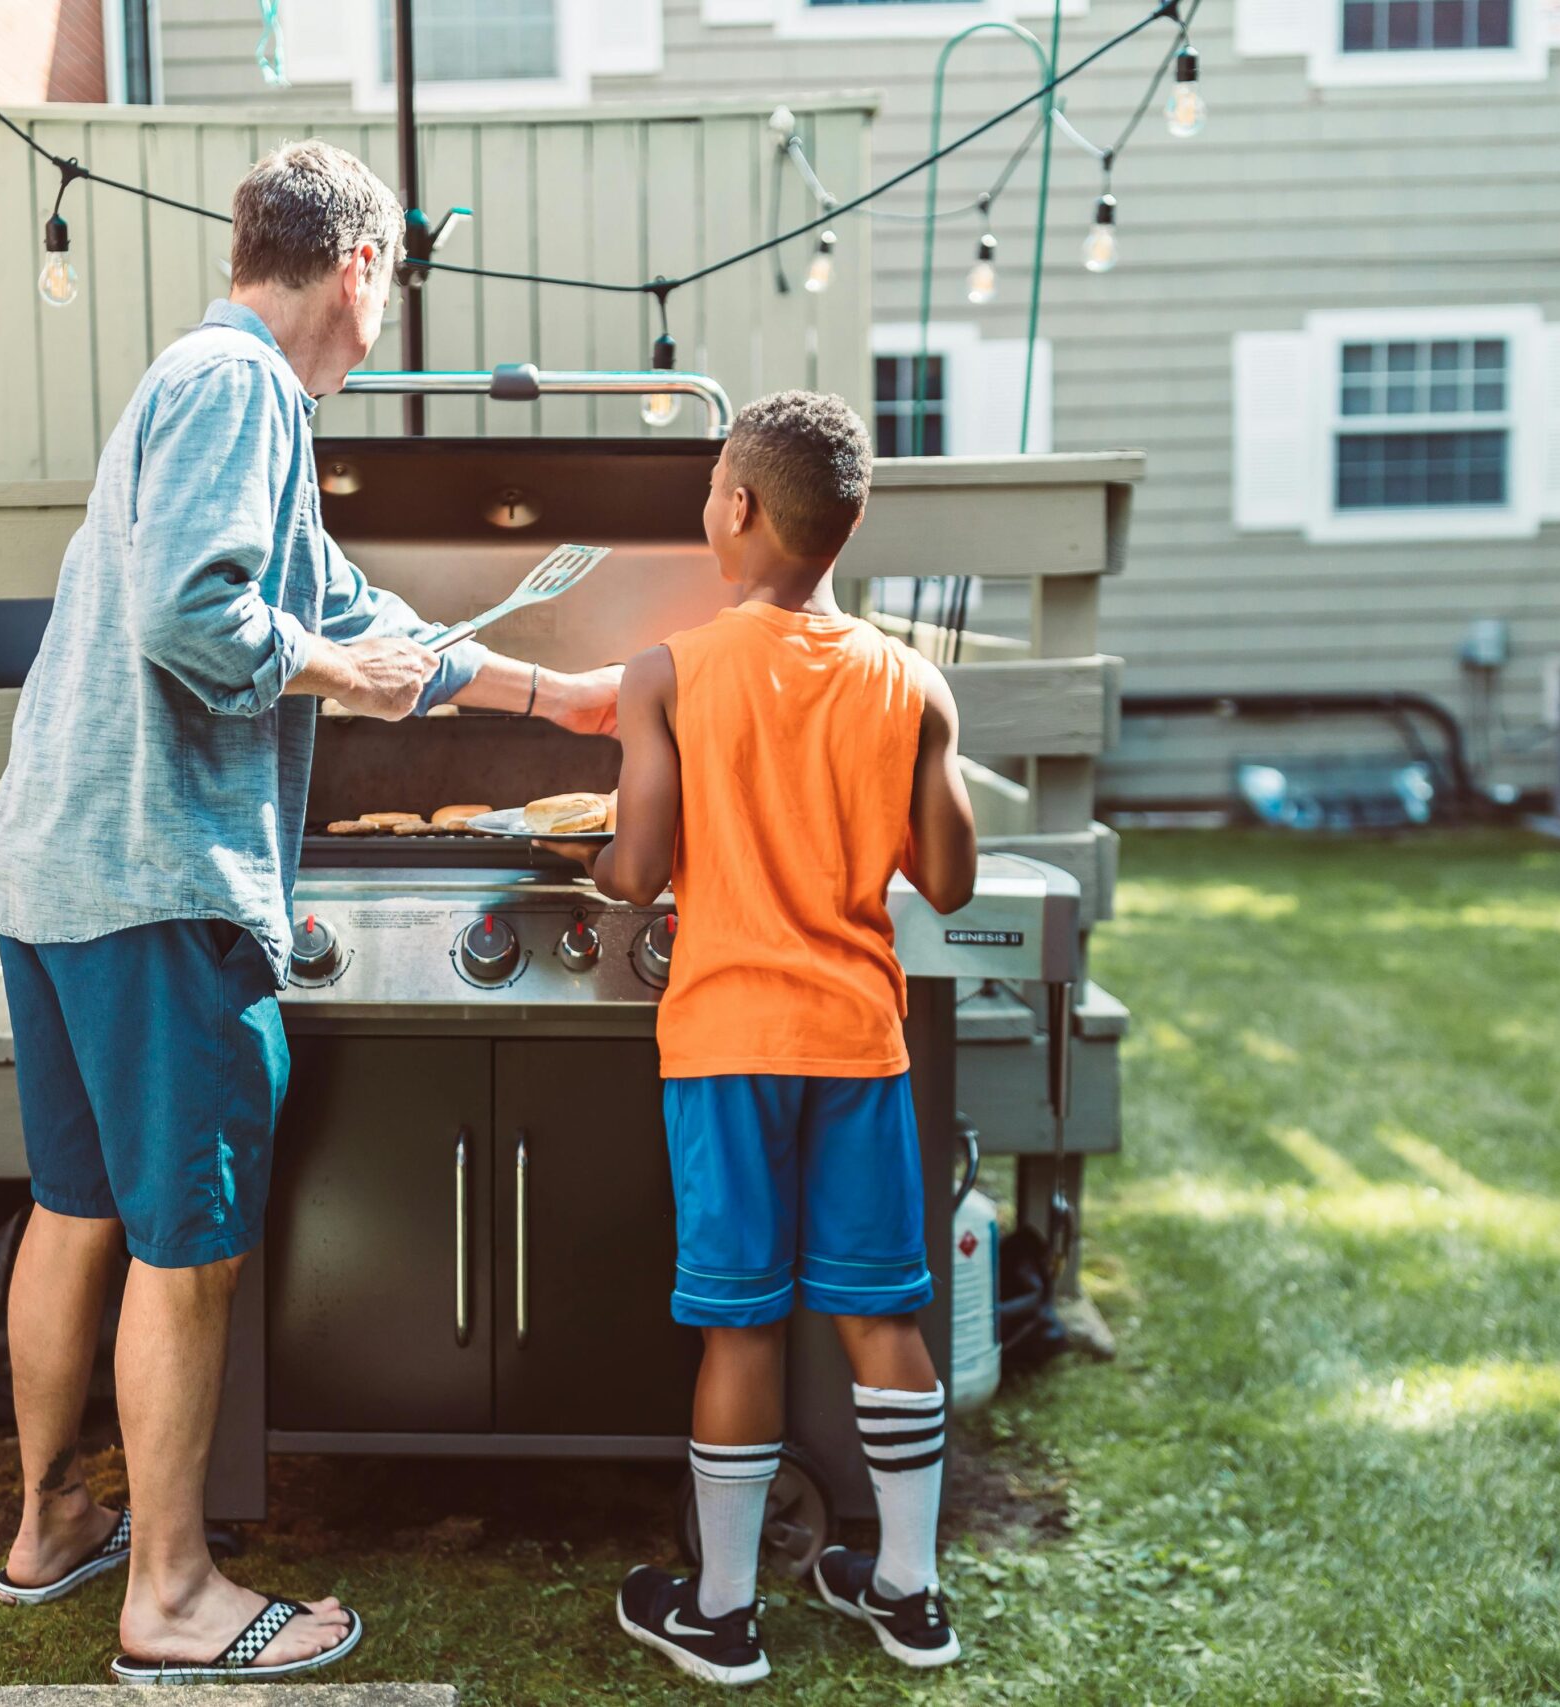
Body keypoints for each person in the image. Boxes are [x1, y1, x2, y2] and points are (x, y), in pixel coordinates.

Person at [0, 139, 621, 1683]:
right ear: (359, 267)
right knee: (186, 1247)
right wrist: (344, 676)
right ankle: (172, 1598)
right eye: (391, 280)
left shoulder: (201, 386)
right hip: (160, 877)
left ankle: (52, 1524)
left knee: (79, 1206)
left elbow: (344, 608)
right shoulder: (242, 387)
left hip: (57, 870)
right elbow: (198, 616)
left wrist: (553, 696)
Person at [550, 391, 978, 1685]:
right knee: (882, 1314)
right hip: (858, 1040)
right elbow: (951, 879)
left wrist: (587, 857)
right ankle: (909, 1591)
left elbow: (636, 871)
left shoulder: (668, 673)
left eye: (710, 489)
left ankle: (723, 1613)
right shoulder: (912, 683)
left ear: (735, 507)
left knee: (742, 1326)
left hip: (729, 1041)